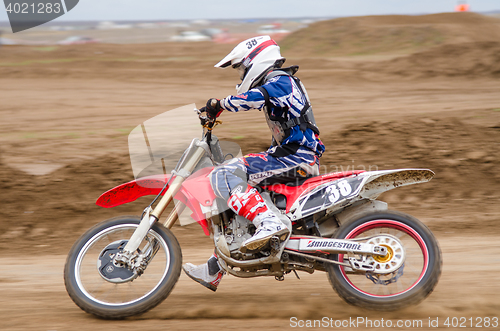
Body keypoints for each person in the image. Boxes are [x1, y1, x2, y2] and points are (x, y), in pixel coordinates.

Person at [183, 35, 325, 291]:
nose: (240, 76)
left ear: (256, 61)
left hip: (300, 157)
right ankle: (215, 268)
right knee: (239, 189)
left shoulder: (282, 81)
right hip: (293, 155)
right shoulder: (279, 84)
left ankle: (269, 224)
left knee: (225, 174)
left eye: (241, 69)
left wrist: (220, 104)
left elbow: (253, 98)